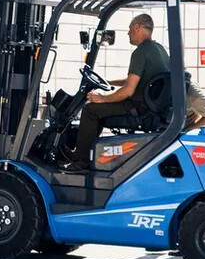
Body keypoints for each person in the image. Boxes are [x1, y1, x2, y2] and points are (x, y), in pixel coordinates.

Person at [67, 13, 170, 170]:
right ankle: (90, 154)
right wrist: (109, 82)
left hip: (137, 108)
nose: (128, 33)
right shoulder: (159, 49)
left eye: (130, 29)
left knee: (90, 110)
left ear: (137, 27)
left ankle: (82, 161)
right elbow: (135, 80)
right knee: (99, 110)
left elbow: (128, 90)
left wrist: (102, 98)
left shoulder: (140, 52)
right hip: (150, 107)